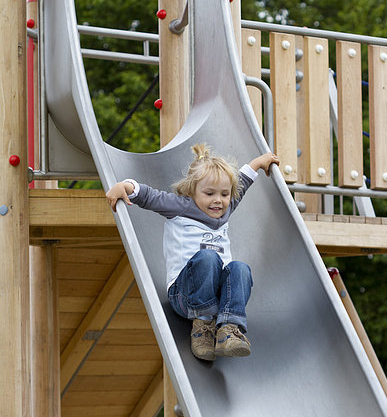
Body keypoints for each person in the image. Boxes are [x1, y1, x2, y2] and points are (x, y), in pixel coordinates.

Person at [106, 144, 279, 362]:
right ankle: (202, 327)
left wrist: (257, 163)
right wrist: (125, 185)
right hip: (184, 296)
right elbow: (150, 196)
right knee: (208, 257)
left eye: (224, 194)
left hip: (218, 297)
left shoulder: (225, 209)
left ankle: (228, 328)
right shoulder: (180, 206)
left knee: (240, 268)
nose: (218, 200)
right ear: (191, 191)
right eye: (209, 193)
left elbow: (242, 182)